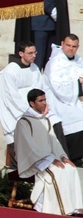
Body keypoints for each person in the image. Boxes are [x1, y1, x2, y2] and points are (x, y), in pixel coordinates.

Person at [0, 41, 67, 169]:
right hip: (17, 112)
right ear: (21, 54)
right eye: (30, 53)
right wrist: (31, 112)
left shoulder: (34, 68)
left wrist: (44, 105)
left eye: (35, 52)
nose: (34, 55)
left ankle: (60, 157)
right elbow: (12, 98)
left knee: (55, 121)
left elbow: (42, 88)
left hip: (35, 108)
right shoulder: (10, 71)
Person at [14, 88, 82, 215]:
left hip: (50, 157)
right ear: (32, 103)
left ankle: (74, 208)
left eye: (45, 100)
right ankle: (58, 210)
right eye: (41, 100)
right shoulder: (24, 122)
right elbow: (28, 147)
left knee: (71, 169)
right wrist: (51, 160)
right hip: (34, 160)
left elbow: (54, 141)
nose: (44, 103)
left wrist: (62, 156)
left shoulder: (45, 120)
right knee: (57, 173)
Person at [44, 34, 83, 166]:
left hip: (74, 98)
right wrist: (78, 83)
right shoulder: (55, 63)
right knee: (76, 117)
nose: (71, 49)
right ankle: (75, 156)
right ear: (62, 44)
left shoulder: (77, 59)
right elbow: (59, 87)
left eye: (74, 46)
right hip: (59, 100)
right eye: (68, 45)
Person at [14, 0, 70, 70]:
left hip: (53, 25)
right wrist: (51, 10)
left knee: (51, 61)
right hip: (41, 23)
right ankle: (35, 80)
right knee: (37, 59)